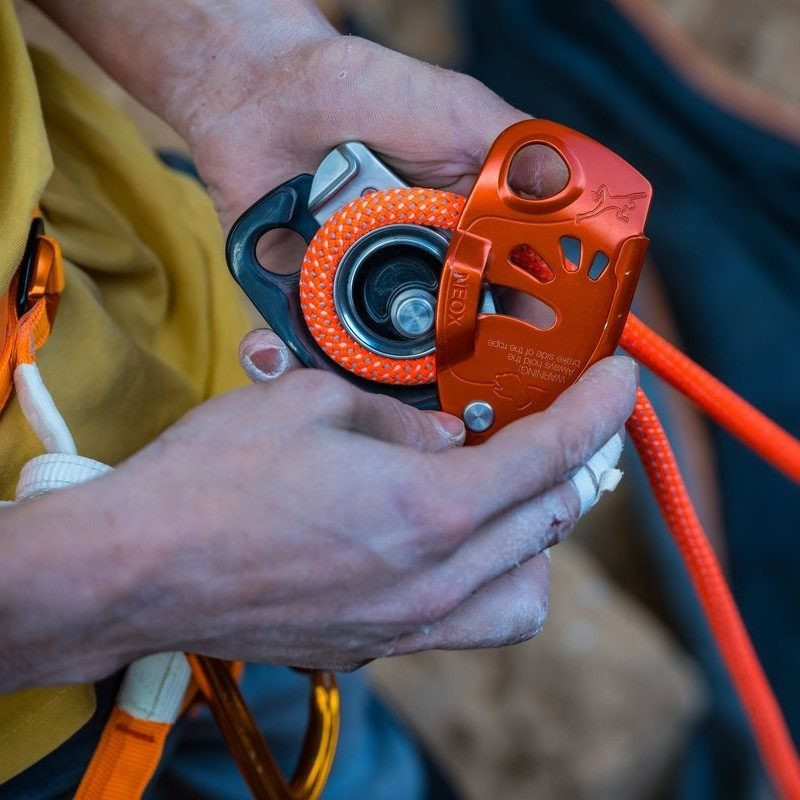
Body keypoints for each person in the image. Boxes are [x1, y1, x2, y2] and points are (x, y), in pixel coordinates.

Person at [0, 1, 637, 797]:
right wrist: (122, 583)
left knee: (348, 758)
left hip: (150, 293)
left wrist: (239, 67)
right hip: (28, 741)